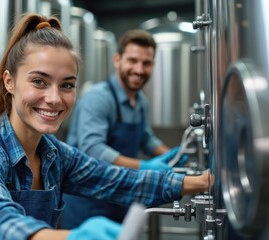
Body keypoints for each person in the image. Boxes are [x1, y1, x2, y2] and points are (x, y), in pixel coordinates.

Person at [0, 13, 212, 240]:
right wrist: (73, 237)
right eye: (39, 81)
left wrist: (200, 182)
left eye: (67, 85)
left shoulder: (54, 155)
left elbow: (116, 180)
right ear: (9, 82)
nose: (55, 99)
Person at [62, 29, 189, 228]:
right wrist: (144, 167)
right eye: (132, 61)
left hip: (120, 198)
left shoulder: (140, 102)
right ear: (117, 60)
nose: (139, 69)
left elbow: (146, 139)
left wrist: (174, 154)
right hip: (89, 203)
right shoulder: (98, 98)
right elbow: (94, 150)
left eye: (146, 63)